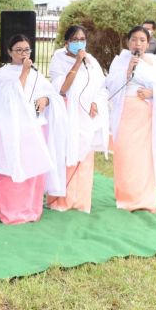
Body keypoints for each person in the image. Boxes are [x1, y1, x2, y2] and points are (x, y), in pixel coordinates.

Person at [0, 34, 66, 225]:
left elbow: (49, 93)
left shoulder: (36, 74)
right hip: (12, 131)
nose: (23, 54)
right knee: (11, 172)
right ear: (9, 52)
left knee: (34, 171)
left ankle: (32, 210)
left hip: (35, 128)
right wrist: (24, 73)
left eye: (26, 50)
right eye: (18, 50)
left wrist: (45, 100)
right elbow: (9, 99)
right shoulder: (3, 74)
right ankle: (12, 213)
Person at [105, 26, 156, 213]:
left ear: (148, 43)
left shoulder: (154, 62)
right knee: (126, 155)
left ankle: (145, 200)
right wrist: (128, 70)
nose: (138, 43)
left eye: (142, 40)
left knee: (145, 157)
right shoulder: (120, 61)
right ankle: (127, 198)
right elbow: (111, 85)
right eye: (134, 39)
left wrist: (152, 92)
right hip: (126, 112)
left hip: (146, 115)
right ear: (128, 42)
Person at [46, 25, 109, 214]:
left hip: (86, 118)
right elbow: (61, 89)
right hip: (67, 117)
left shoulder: (92, 62)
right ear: (66, 43)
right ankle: (61, 200)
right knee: (67, 156)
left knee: (85, 159)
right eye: (75, 39)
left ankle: (81, 202)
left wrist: (96, 103)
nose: (80, 43)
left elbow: (101, 88)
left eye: (82, 39)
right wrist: (76, 63)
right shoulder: (58, 60)